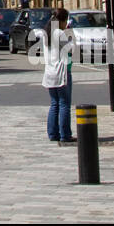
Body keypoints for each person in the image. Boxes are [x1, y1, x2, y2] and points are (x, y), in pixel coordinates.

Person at [40, 8, 74, 143]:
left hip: (49, 71)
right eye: (66, 21)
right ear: (61, 21)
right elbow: (70, 49)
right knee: (65, 104)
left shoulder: (46, 33)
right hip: (61, 71)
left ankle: (53, 133)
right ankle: (65, 134)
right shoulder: (59, 33)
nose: (66, 24)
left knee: (54, 104)